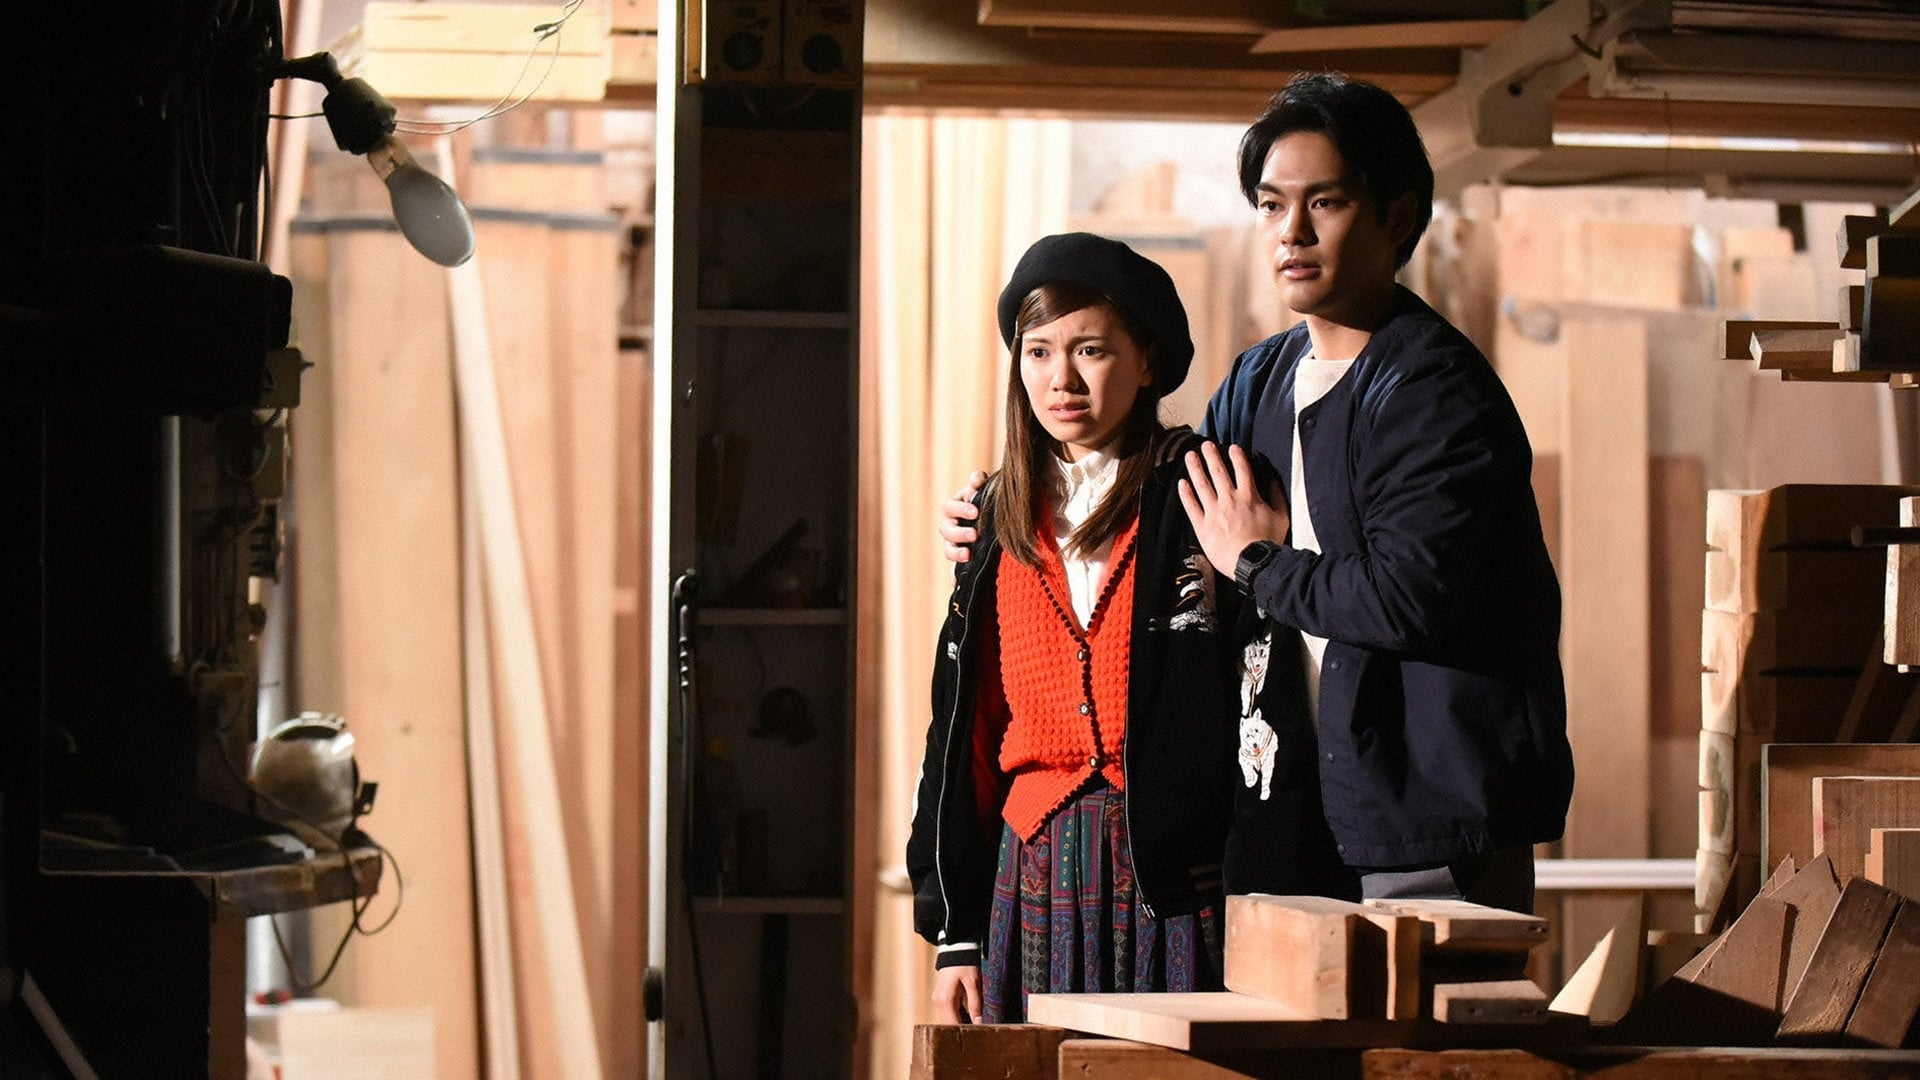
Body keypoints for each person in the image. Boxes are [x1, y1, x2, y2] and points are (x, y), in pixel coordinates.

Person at [940, 74, 1573, 914]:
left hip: (1425, 820)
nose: (1291, 232)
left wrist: (1258, 563)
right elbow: (1163, 509)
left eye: (1326, 203)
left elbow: (1406, 598)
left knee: (1431, 1009)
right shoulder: (1260, 380)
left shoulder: (1435, 393)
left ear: (1396, 217)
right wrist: (1003, 512)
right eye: (1272, 206)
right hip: (1294, 812)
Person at [904, 232, 1347, 1026]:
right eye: (1038, 353)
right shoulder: (992, 519)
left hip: (1177, 880)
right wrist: (954, 931)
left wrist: (1268, 889)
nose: (1061, 380)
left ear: (1146, 362)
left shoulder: (1205, 494)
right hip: (1031, 873)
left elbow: (1267, 703)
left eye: (1091, 350)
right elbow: (962, 732)